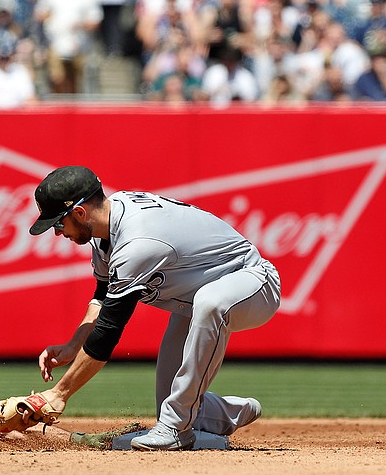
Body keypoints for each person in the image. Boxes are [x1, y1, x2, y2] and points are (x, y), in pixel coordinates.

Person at [28, 166, 281, 451]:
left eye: (58, 224)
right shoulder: (106, 228)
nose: (58, 232)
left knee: (210, 305)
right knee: (169, 405)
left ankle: (178, 430)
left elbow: (108, 331)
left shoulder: (138, 241)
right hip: (197, 299)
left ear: (80, 212)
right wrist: (74, 345)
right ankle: (222, 413)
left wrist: (60, 393)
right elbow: (103, 296)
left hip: (254, 284)